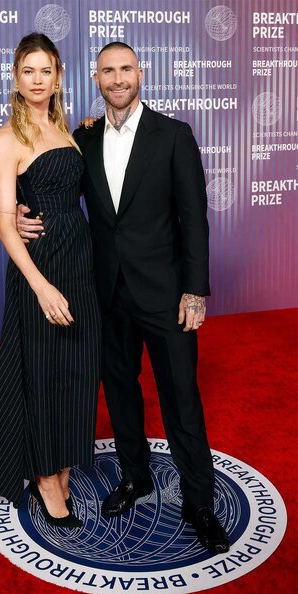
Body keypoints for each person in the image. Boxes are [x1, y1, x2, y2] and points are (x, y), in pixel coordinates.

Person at [17, 42, 229, 552]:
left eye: (126, 69)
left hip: (164, 295)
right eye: (107, 71)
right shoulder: (81, 139)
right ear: (94, 78)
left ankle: (199, 501)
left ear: (141, 72)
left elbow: (193, 219)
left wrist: (195, 290)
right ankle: (136, 477)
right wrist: (21, 217)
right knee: (120, 391)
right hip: (104, 292)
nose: (117, 79)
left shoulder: (174, 136)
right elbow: (51, 187)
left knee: (181, 398)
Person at [0, 32, 101, 528]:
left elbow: (70, 180)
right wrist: (40, 285)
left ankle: (64, 460)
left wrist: (89, 128)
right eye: (28, 70)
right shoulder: (7, 138)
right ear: (15, 77)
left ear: (58, 77)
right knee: (46, 375)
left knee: (77, 371)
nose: (37, 79)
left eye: (45, 71)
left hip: (80, 261)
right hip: (42, 270)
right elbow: (6, 223)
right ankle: (47, 480)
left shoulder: (65, 125)